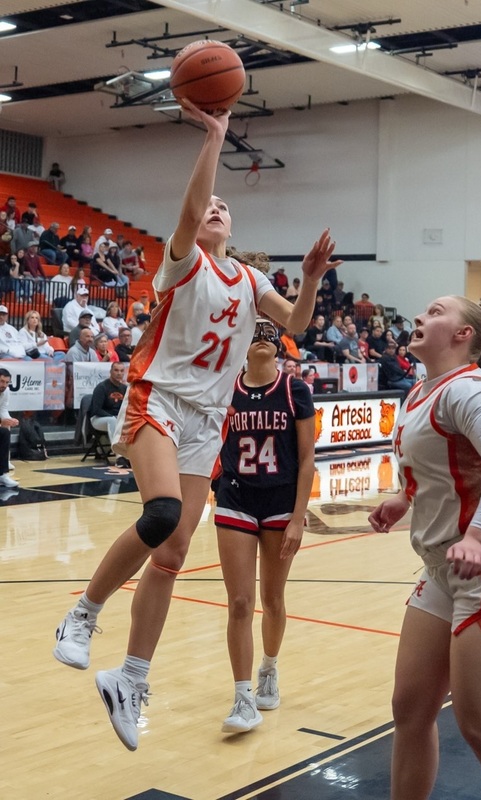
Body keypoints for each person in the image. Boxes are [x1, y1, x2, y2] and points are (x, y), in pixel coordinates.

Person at [52, 102, 341, 752]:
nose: (214, 208)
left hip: (208, 421)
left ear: (234, 228)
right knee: (159, 515)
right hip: (157, 399)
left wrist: (314, 281)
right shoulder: (181, 263)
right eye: (207, 204)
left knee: (174, 554)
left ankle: (129, 678)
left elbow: (294, 325)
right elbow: (189, 210)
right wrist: (214, 135)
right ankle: (82, 613)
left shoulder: (248, 278)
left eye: (223, 206)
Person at [368, 295, 481, 800]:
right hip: (443, 563)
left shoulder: (467, 388)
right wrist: (402, 500)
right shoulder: (418, 394)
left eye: (435, 310)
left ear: (463, 334)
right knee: (410, 708)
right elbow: (435, 468)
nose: (420, 316)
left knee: (480, 726)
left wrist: (476, 534)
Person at [214, 318, 315, 733]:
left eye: (270, 337)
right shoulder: (225, 388)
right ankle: (241, 698)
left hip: (279, 500)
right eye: (254, 335)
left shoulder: (295, 391)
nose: (262, 341)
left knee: (272, 599)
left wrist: (297, 516)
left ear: (280, 349)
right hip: (236, 497)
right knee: (239, 602)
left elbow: (307, 459)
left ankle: (269, 668)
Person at [89, 362, 127, 460]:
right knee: (112, 421)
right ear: (110, 372)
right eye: (116, 370)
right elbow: (96, 410)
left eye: (122, 371)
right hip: (98, 419)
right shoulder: (101, 387)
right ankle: (120, 456)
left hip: (117, 418)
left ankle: (133, 455)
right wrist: (114, 417)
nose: (119, 373)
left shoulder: (125, 388)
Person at [0, 368, 19, 489]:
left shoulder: (6, 391)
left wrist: (9, 420)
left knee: (5, 432)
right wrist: (2, 421)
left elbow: (3, 409)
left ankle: (2, 474)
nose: (4, 385)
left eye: (7, 382)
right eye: (2, 381)